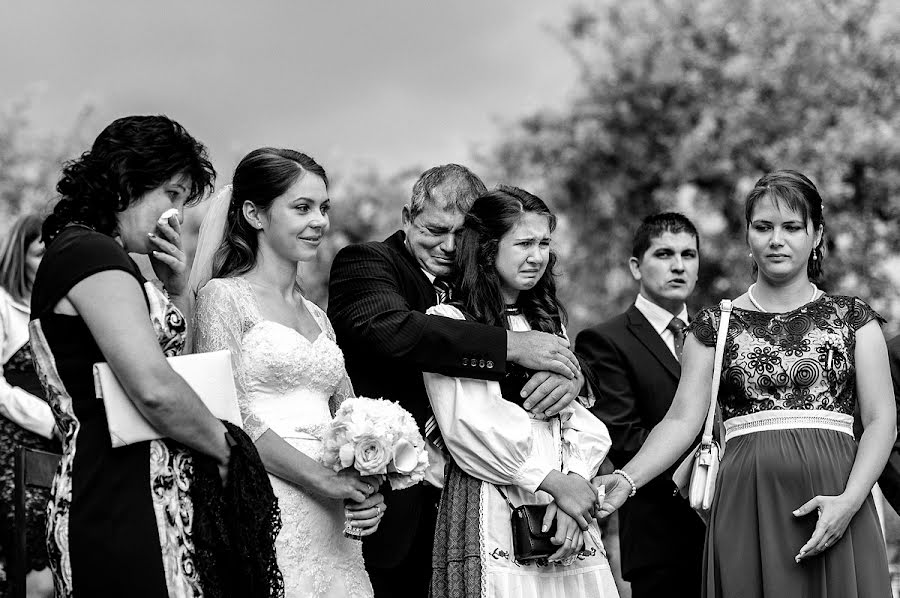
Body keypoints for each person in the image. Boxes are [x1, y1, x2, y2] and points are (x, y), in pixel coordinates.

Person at [597, 170, 895, 597]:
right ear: (748, 235)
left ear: (816, 235)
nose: (777, 239)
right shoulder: (715, 326)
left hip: (839, 502)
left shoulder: (853, 318)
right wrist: (625, 481)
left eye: (792, 227)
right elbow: (681, 421)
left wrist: (849, 501)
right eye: (763, 227)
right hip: (745, 508)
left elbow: (882, 420)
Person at [327, 164, 585, 597]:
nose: (447, 246)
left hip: (489, 502)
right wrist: (511, 346)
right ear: (407, 218)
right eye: (433, 229)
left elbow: (537, 352)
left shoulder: (486, 285)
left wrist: (570, 375)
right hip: (396, 500)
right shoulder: (368, 262)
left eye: (461, 234)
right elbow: (392, 330)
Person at [28, 115, 244, 597]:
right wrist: (229, 452)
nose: (177, 214)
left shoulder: (100, 256)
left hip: (145, 497)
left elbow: (179, 369)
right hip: (119, 500)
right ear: (127, 181)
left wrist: (176, 290)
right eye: (172, 193)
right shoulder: (89, 254)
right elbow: (154, 388)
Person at [190, 148, 386, 598]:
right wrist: (323, 480)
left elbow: (354, 420)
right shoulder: (223, 298)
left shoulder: (320, 317)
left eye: (323, 208)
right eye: (301, 208)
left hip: (336, 518)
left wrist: (370, 487)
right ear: (254, 214)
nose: (318, 221)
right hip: (268, 499)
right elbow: (231, 417)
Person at [423, 186, 618, 597]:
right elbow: (470, 426)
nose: (537, 256)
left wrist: (575, 485)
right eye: (524, 243)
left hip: (564, 502)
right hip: (493, 497)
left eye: (544, 243)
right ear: (489, 249)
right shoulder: (451, 322)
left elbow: (578, 421)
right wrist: (551, 481)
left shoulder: (547, 325)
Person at [575, 212, 705, 598]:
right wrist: (715, 480)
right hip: (661, 535)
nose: (679, 266)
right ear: (636, 265)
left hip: (732, 532)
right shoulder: (604, 341)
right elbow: (626, 437)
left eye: (689, 254)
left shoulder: (717, 337)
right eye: (664, 254)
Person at [0, 214, 57, 598]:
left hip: (60, 445)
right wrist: (48, 420)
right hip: (12, 445)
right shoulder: (2, 306)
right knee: (26, 551)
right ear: (21, 256)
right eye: (40, 252)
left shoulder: (57, 309)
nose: (49, 259)